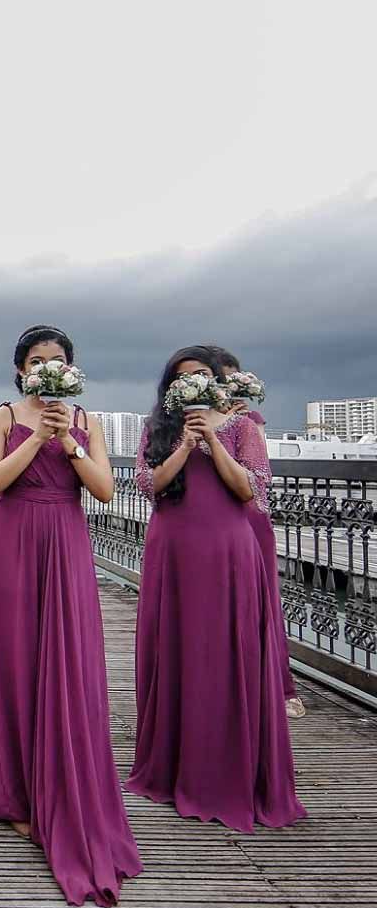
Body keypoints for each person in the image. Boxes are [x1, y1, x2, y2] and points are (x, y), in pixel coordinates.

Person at [0, 325, 141, 906]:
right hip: (13, 541)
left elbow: (105, 491)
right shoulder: (2, 416)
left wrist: (67, 440)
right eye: (37, 361)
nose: (47, 369)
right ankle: (14, 794)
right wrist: (33, 436)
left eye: (58, 361)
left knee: (68, 664)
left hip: (65, 544)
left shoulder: (86, 422)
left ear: (72, 371)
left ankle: (62, 784)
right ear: (21, 370)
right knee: (15, 664)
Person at [127, 346, 305, 832]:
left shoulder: (243, 426)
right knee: (177, 649)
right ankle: (171, 762)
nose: (193, 383)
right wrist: (185, 444)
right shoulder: (158, 429)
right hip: (172, 549)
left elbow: (250, 489)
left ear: (217, 382)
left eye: (202, 375)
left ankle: (229, 766)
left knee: (229, 650)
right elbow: (151, 486)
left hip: (228, 549)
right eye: (183, 377)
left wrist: (214, 440)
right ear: (171, 387)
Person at [204, 344, 304, 720]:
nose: (225, 391)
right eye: (219, 382)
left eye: (230, 382)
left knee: (261, 602)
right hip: (210, 520)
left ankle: (279, 684)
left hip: (250, 518)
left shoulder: (249, 422)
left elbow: (258, 475)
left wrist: (237, 424)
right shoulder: (193, 420)